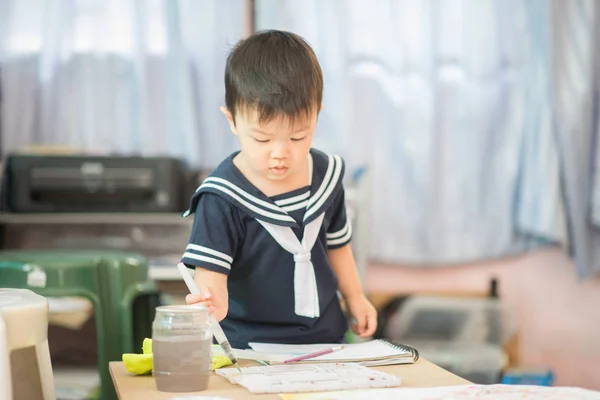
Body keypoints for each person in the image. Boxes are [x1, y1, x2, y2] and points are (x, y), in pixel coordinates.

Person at [181, 29, 377, 349]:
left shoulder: (328, 176)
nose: (280, 153)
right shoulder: (221, 196)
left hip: (326, 340)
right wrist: (211, 300)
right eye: (262, 139)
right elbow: (210, 270)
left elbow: (338, 246)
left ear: (316, 116)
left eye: (298, 137)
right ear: (232, 121)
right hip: (248, 344)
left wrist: (356, 297)